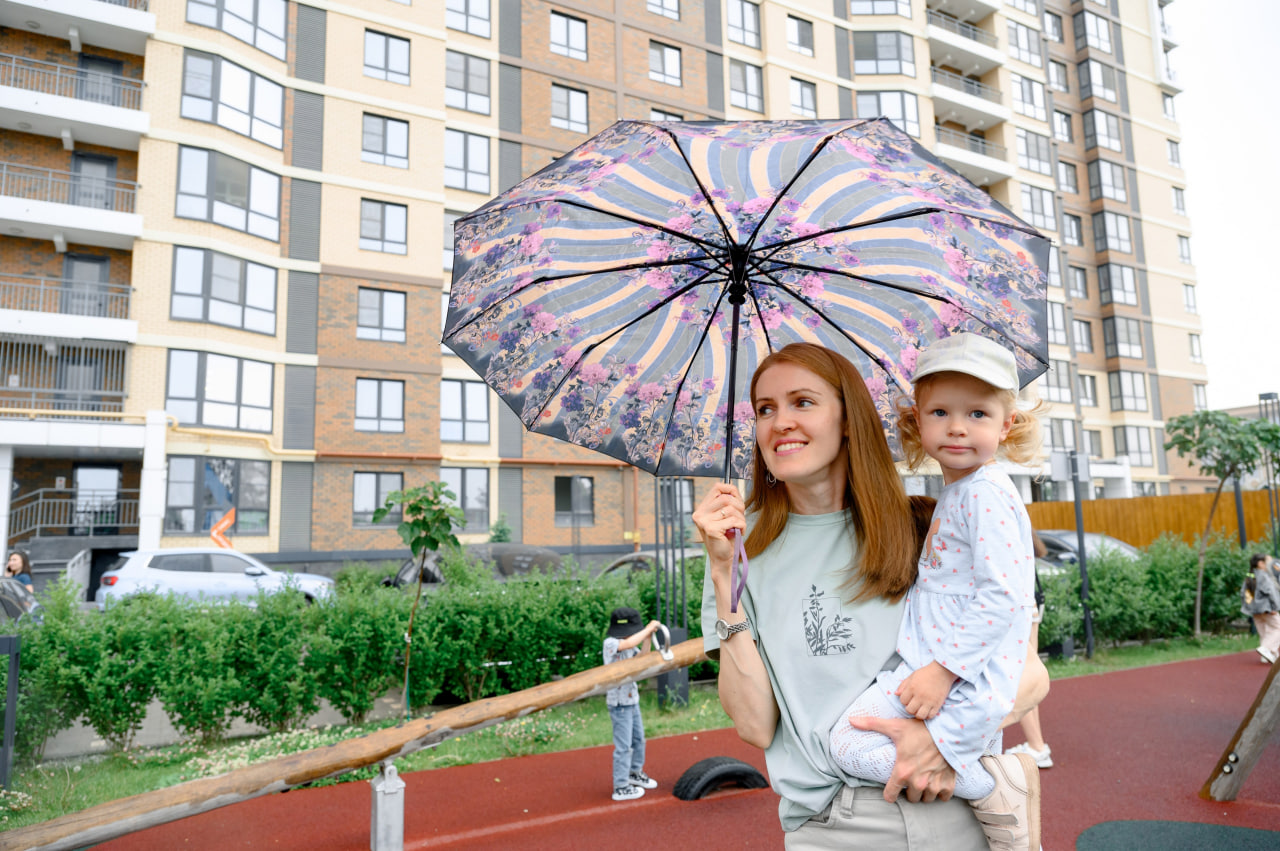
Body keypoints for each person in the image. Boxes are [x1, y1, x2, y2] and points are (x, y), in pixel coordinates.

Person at [695, 341, 1049, 851]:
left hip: (950, 806)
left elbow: (1031, 674)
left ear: (848, 420)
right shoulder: (739, 556)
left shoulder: (927, 525)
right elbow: (755, 726)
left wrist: (938, 743)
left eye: (802, 402)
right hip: (834, 825)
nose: (780, 422)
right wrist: (724, 574)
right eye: (765, 409)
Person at [827, 332, 1043, 850]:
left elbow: (1003, 597)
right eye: (941, 412)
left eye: (977, 414)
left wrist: (943, 671)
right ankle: (985, 785)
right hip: (947, 669)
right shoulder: (962, 491)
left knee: (847, 743)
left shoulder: (986, 494)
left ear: (1006, 424)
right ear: (917, 421)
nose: (958, 427)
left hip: (956, 677)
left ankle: (993, 787)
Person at [1005, 531, 1055, 768]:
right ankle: (1037, 745)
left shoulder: (1004, 538)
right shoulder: (1023, 535)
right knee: (1028, 675)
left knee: (1020, 680)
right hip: (1029, 608)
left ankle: (1037, 746)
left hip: (1018, 610)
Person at [603, 606, 662, 801]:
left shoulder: (630, 643)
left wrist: (647, 638)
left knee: (639, 739)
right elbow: (627, 644)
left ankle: (634, 773)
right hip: (619, 704)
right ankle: (620, 786)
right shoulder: (611, 643)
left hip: (632, 700)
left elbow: (641, 658)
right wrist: (647, 628)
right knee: (624, 746)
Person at [1241, 554, 1280, 664]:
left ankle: (1268, 656)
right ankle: (1266, 649)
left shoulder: (1250, 576)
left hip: (1255, 611)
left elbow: (1244, 594)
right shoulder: (1264, 576)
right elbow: (1271, 592)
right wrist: (1275, 607)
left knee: (1264, 632)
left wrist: (1250, 607)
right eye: (1269, 562)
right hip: (1267, 609)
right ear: (1261, 564)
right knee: (1277, 628)